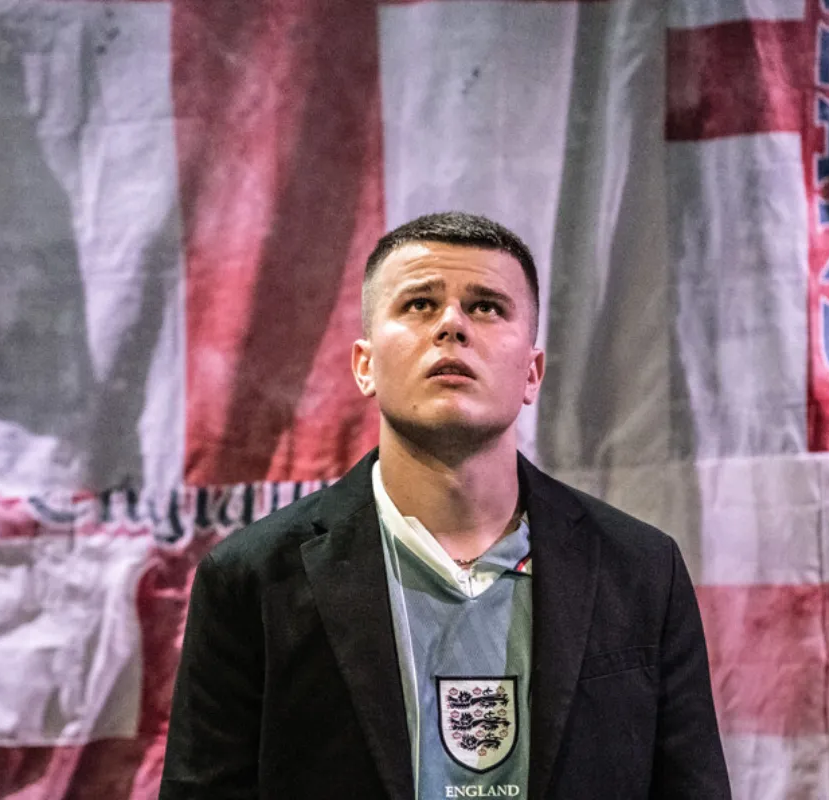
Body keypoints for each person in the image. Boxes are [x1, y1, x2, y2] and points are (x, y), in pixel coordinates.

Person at [160, 211, 731, 799]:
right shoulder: (251, 580)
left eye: (486, 306)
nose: (452, 325)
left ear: (532, 373)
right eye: (418, 305)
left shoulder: (640, 570)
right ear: (364, 365)